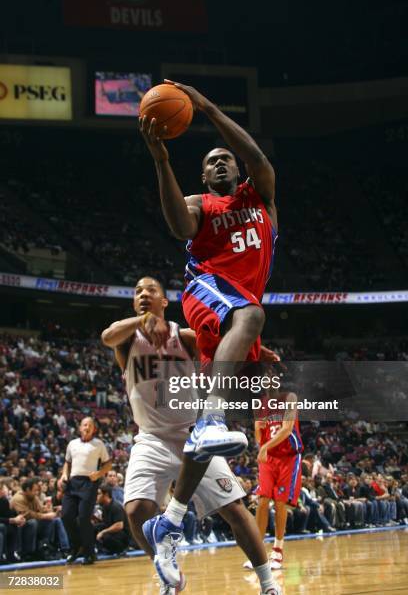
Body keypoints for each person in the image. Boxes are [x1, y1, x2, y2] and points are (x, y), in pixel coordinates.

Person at [139, 80, 278, 589]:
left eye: (227, 159)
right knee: (254, 315)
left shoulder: (260, 193)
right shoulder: (201, 203)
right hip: (209, 292)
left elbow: (258, 153)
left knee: (205, 439)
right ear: (201, 174)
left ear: (238, 168)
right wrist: (161, 161)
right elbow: (178, 226)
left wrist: (209, 108)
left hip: (235, 315)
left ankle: (171, 523)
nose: (221, 164)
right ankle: (211, 417)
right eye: (211, 161)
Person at [102, 276, 281, 595]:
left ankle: (268, 583)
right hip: (152, 438)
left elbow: (226, 349)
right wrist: (142, 320)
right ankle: (167, 568)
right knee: (134, 510)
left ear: (164, 301)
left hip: (192, 435)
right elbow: (107, 335)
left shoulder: (183, 337)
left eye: (150, 290)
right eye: (138, 292)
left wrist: (254, 350)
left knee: (235, 511)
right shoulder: (127, 340)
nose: (144, 294)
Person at [242, 386, 303, 571]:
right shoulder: (259, 404)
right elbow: (259, 434)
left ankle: (277, 551)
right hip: (269, 457)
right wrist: (258, 433)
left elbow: (287, 429)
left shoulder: (290, 396)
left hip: (288, 456)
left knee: (279, 503)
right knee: (262, 500)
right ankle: (258, 553)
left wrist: (264, 446)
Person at [58, 417, 112, 565]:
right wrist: (64, 475)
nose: (87, 427)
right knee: (66, 516)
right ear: (80, 428)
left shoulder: (99, 444)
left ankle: (89, 552)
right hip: (72, 483)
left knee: (83, 518)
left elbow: (108, 464)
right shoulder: (72, 444)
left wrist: (99, 474)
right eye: (84, 425)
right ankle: (76, 548)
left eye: (90, 425)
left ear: (94, 429)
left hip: (89, 483)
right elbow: (67, 463)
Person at [10, 478, 67, 558]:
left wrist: (50, 510)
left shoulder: (33, 497)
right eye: (34, 490)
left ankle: (48, 548)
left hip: (33, 522)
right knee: (33, 522)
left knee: (53, 520)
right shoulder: (18, 498)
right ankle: (28, 553)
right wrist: (45, 516)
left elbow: (41, 509)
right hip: (18, 525)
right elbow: (27, 515)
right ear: (27, 489)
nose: (36, 493)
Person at [94, 484, 129, 555]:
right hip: (114, 533)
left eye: (98, 494)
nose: (96, 496)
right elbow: (106, 523)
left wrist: (103, 532)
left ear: (106, 494)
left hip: (123, 536)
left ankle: (120, 549)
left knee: (105, 536)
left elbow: (119, 526)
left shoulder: (116, 506)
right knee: (92, 528)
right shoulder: (104, 507)